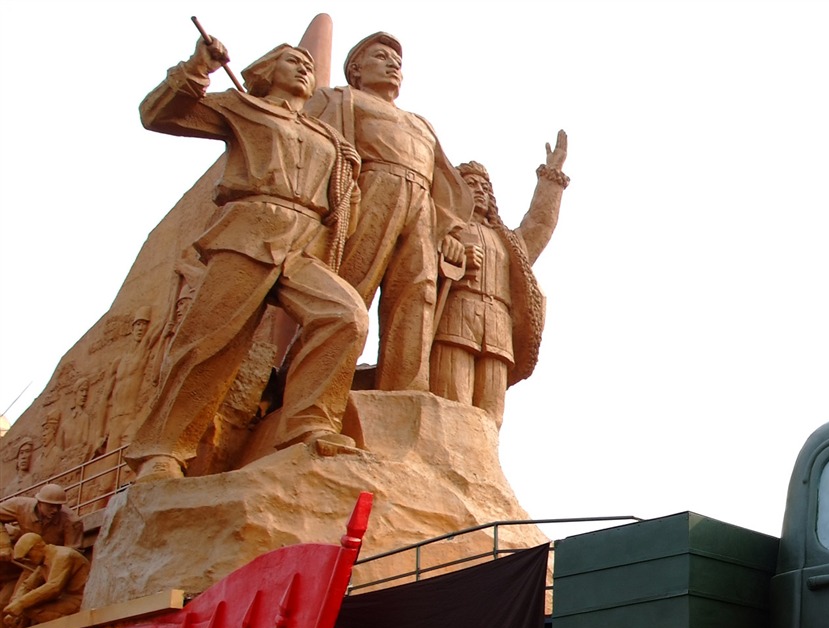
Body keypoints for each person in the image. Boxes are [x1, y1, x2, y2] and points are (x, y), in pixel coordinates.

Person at [126, 35, 368, 484]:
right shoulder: (243, 107)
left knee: (345, 315)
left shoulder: (325, 135)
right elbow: (161, 115)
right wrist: (198, 69)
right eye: (292, 62)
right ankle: (161, 451)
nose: (303, 69)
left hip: (304, 240)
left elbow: (342, 195)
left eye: (307, 66)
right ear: (266, 71)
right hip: (251, 229)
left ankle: (308, 423)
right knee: (208, 342)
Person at [307, 32, 473, 393]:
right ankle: (312, 389)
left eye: (397, 61)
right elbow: (308, 147)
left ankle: (405, 391)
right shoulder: (340, 99)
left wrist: (448, 231)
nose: (393, 64)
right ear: (356, 69)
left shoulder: (421, 124)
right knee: (350, 289)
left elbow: (445, 183)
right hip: (370, 190)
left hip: (421, 208)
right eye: (381, 57)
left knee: (418, 294)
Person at [431, 140, 567, 426]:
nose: (479, 191)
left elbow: (538, 226)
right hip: (455, 318)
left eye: (484, 188)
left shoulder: (507, 241)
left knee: (491, 411)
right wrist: (450, 253)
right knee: (451, 400)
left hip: (497, 328)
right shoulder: (443, 227)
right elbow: (416, 264)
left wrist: (550, 181)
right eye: (470, 185)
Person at [2, 533, 91, 628]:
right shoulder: (44, 562)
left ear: (38, 546)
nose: (28, 559)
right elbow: (27, 585)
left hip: (81, 599)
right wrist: (14, 606)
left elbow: (54, 587)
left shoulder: (63, 556)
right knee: (26, 607)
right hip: (67, 599)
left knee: (28, 607)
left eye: (28, 555)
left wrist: (21, 603)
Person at [0, 483, 78, 547]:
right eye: (51, 506)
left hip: (50, 559)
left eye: (59, 506)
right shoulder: (19, 505)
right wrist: (3, 542)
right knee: (11, 532)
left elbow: (71, 555)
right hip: (23, 550)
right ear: (39, 503)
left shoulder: (71, 521)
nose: (55, 510)